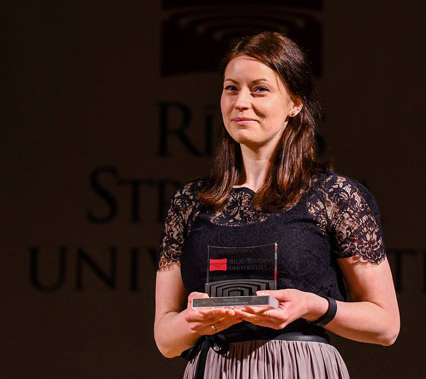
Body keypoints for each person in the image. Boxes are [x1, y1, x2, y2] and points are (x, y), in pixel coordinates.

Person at [154, 32, 400, 378]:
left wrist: (313, 306)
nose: (241, 102)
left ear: (294, 103)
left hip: (299, 367)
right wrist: (196, 320)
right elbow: (166, 340)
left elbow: (386, 325)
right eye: (231, 88)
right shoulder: (190, 202)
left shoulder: (334, 196)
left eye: (259, 89)